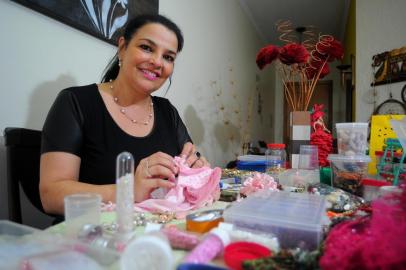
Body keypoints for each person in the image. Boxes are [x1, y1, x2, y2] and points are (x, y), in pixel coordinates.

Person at [39, 14, 209, 216]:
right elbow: (51, 196)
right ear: (122, 48)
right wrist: (128, 192)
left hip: (158, 235)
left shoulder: (167, 111)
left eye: (168, 57)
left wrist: (197, 169)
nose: (157, 62)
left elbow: (187, 164)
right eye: (147, 48)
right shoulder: (75, 102)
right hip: (92, 237)